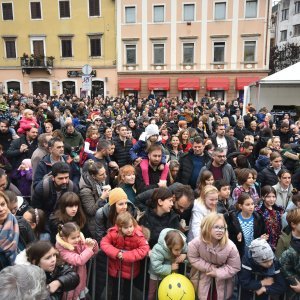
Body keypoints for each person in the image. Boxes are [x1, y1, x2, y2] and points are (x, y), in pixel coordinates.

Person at [188, 213, 241, 300]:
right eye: (216, 227)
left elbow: (234, 266)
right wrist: (209, 268)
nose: (220, 230)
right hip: (202, 279)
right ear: (207, 227)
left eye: (222, 227)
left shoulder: (230, 246)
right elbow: (193, 257)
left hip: (222, 283)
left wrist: (218, 272)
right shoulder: (196, 242)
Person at [100, 212, 150, 300]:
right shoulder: (113, 233)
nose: (129, 230)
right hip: (115, 269)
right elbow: (104, 243)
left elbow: (144, 249)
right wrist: (116, 253)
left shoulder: (138, 235)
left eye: (131, 226)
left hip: (130, 270)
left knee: (128, 292)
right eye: (126, 228)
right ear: (119, 227)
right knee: (114, 291)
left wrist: (125, 256)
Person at [56, 222, 98, 300]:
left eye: (78, 236)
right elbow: (79, 260)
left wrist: (93, 244)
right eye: (73, 238)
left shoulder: (79, 243)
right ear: (64, 238)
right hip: (69, 287)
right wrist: (89, 248)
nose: (77, 239)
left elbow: (92, 253)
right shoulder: (61, 250)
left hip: (80, 282)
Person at [148, 228, 187, 300]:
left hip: (170, 275)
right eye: (176, 250)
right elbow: (156, 267)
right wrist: (170, 268)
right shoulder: (158, 249)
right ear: (169, 247)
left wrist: (184, 254)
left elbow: (187, 249)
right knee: (152, 293)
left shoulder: (181, 243)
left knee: (168, 293)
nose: (179, 252)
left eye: (180, 249)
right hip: (156, 274)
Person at [227, 193, 268, 258]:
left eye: (252, 204)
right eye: (247, 205)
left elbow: (263, 233)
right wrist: (236, 238)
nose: (251, 207)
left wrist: (262, 238)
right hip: (239, 253)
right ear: (240, 206)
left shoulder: (258, 218)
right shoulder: (233, 219)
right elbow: (229, 236)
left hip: (255, 251)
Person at [79, 160, 110, 238]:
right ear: (93, 176)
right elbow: (91, 211)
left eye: (105, 173)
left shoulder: (100, 181)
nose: (105, 176)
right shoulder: (85, 191)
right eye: (101, 175)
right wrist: (102, 198)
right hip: (93, 224)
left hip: (103, 218)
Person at [255, 185, 284, 251]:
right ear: (262, 197)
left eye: (273, 197)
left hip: (278, 242)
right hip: (265, 244)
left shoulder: (279, 210)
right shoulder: (259, 212)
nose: (271, 199)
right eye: (268, 197)